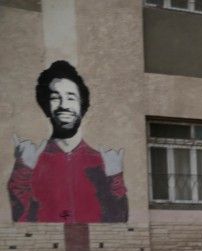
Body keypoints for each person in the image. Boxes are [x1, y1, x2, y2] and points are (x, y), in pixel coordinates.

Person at [8, 60, 127, 223]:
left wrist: (115, 178)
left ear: (82, 106)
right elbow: (22, 221)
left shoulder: (103, 163)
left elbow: (119, 222)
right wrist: (23, 171)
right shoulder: (31, 163)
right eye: (56, 98)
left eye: (71, 98)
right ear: (46, 107)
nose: (64, 105)